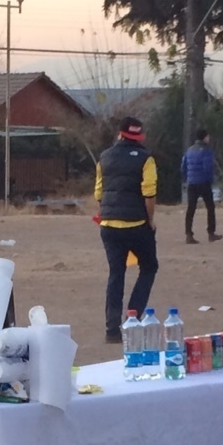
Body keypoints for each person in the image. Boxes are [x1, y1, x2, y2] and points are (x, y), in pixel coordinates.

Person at [95, 117, 159, 343]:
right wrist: (150, 220)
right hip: (136, 224)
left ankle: (112, 330)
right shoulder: (146, 158)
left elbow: (99, 193)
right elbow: (149, 193)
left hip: (109, 226)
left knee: (116, 273)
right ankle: (133, 316)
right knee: (149, 267)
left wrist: (106, 214)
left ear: (120, 134)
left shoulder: (104, 157)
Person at [182, 128, 221, 244]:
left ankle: (189, 234)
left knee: (191, 209)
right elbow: (208, 168)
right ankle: (211, 233)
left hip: (192, 183)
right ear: (204, 137)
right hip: (203, 182)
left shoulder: (189, 150)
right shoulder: (206, 151)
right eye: (208, 136)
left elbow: (183, 167)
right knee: (210, 207)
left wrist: (187, 178)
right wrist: (211, 179)